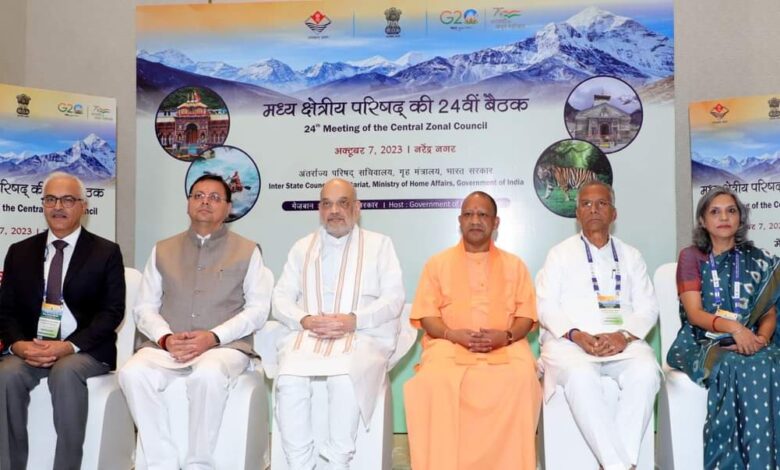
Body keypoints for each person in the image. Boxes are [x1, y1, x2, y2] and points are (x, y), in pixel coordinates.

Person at [118, 174, 273, 470]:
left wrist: (213, 337)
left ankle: (198, 463)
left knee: (208, 375)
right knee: (132, 373)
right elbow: (145, 307)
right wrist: (165, 338)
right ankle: (161, 460)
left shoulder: (248, 250)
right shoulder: (163, 249)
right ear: (188, 204)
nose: (205, 202)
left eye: (215, 198)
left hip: (224, 347)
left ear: (228, 208)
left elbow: (257, 310)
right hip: (168, 346)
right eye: (198, 196)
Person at [272, 178, 404, 469]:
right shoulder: (302, 247)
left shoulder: (380, 245)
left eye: (342, 203)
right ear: (319, 209)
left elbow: (394, 298)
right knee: (289, 378)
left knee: (345, 375)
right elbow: (280, 297)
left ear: (357, 208)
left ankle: (338, 461)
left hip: (360, 334)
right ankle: (299, 463)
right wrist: (305, 319)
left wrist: (354, 320)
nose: (334, 211)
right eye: (327, 204)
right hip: (310, 335)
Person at [404, 191, 541, 470]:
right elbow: (427, 315)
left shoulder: (515, 265)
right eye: (468, 214)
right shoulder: (437, 264)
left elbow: (526, 316)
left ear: (495, 222)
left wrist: (505, 336)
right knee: (433, 380)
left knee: (522, 378)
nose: (475, 220)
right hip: (448, 343)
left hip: (506, 344)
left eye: (482, 215)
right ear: (460, 221)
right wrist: (453, 334)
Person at [0, 172, 125, 470]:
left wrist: (69, 347)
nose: (58, 206)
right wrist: (19, 346)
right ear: (43, 204)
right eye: (51, 199)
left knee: (65, 372)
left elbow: (112, 312)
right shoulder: (19, 252)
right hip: (32, 348)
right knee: (6, 374)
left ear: (83, 206)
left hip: (83, 350)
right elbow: (5, 310)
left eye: (68, 199)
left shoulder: (106, 252)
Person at [536, 181, 659, 470]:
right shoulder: (559, 254)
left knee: (646, 372)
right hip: (570, 343)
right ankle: (620, 465)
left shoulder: (631, 256)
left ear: (614, 214)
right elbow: (545, 305)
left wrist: (622, 335)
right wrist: (577, 335)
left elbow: (648, 307)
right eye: (587, 204)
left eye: (602, 203)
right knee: (581, 376)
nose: (594, 209)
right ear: (577, 213)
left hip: (622, 342)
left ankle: (614, 464)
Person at [667, 186, 780, 469]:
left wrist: (761, 338)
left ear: (740, 219)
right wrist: (736, 329)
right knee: (735, 364)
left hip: (753, 340)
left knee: (767, 360)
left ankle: (763, 460)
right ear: (703, 221)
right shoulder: (691, 257)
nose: (724, 217)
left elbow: (770, 312)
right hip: (704, 341)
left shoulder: (759, 259)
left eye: (731, 211)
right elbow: (694, 314)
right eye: (715, 212)